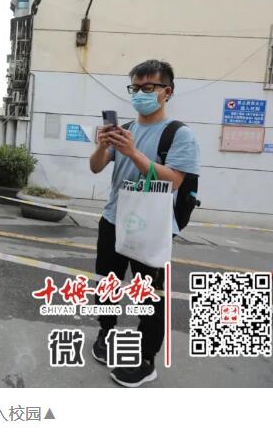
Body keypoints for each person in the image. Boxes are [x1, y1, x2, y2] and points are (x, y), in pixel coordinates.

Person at [88, 59, 200, 387]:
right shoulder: (126, 130)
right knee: (107, 285)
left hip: (151, 226)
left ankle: (146, 360)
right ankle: (106, 333)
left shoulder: (180, 134)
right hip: (113, 219)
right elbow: (95, 167)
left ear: (167, 92)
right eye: (135, 88)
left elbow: (174, 180)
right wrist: (103, 145)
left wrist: (133, 153)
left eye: (148, 87)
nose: (140, 94)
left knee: (150, 296)